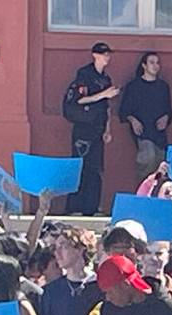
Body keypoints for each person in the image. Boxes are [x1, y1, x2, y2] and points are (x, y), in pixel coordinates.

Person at [64, 42, 118, 216]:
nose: (107, 57)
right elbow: (79, 100)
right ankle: (75, 207)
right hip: (83, 128)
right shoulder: (84, 75)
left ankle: (92, 207)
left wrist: (108, 129)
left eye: (108, 54)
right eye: (104, 54)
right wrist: (103, 94)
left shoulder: (106, 79)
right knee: (80, 167)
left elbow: (107, 107)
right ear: (95, 55)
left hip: (98, 128)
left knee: (96, 169)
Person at [119, 52, 172, 181]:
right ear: (144, 65)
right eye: (152, 62)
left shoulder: (163, 87)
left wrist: (166, 118)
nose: (155, 66)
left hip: (159, 134)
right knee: (148, 157)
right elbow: (123, 111)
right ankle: (144, 192)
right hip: (142, 131)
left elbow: (169, 110)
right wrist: (132, 120)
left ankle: (157, 196)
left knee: (160, 164)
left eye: (157, 63)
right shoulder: (134, 86)